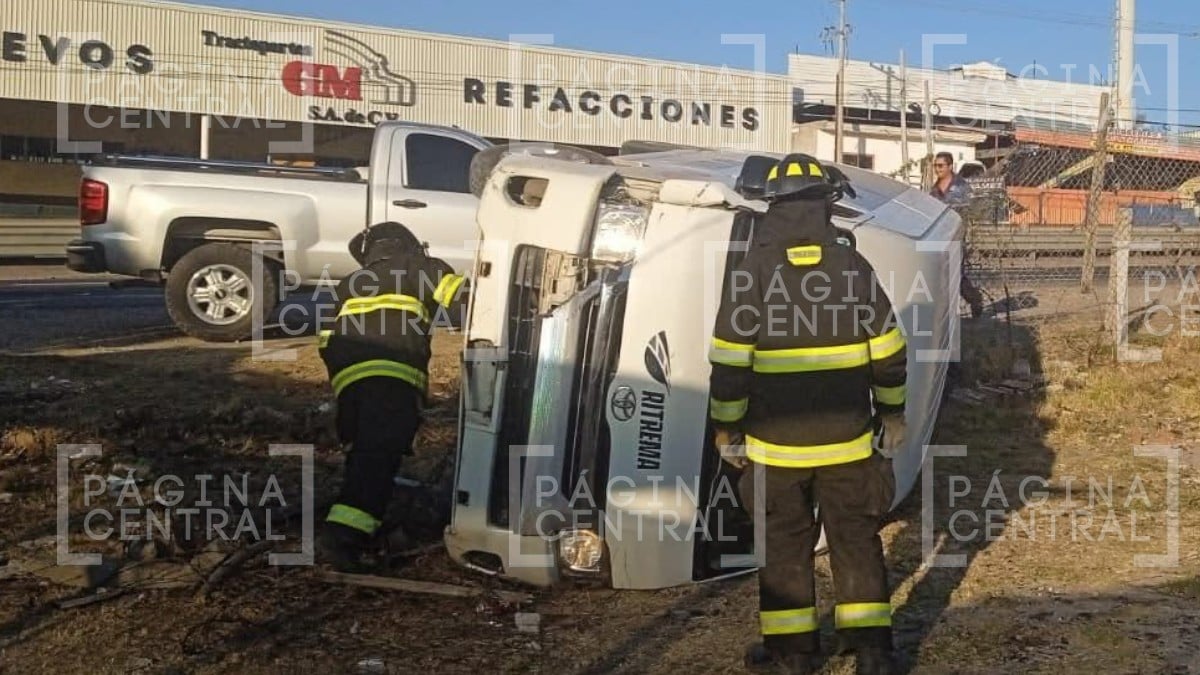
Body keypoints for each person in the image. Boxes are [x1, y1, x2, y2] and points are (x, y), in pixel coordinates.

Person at [707, 154, 907, 674]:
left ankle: (793, 656)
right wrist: (893, 413)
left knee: (783, 548)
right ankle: (873, 654)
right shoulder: (853, 267)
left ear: (771, 205)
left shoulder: (751, 273)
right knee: (855, 540)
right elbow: (889, 351)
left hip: (775, 452)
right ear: (826, 203)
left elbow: (729, 363)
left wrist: (727, 429)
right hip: (849, 444)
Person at [315, 221, 470, 572]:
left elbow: (325, 340)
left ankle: (357, 520)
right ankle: (344, 537)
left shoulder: (348, 284)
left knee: (364, 455)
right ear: (408, 245)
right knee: (378, 459)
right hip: (391, 378)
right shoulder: (417, 266)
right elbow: (465, 299)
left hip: (349, 386)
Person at [929, 152, 985, 319]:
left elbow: (971, 210)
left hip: (955, 236)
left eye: (940, 166)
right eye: (935, 166)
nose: (937, 169)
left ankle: (968, 303)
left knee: (953, 274)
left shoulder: (962, 187)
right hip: (938, 237)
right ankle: (971, 299)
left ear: (950, 166)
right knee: (942, 274)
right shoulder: (934, 189)